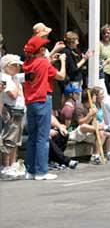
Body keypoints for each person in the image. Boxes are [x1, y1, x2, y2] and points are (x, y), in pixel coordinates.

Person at [22, 36, 66, 181]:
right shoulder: (43, 63)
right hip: (42, 99)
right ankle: (41, 171)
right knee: (42, 138)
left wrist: (50, 59)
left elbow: (39, 68)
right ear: (40, 50)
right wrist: (63, 62)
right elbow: (60, 76)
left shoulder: (28, 63)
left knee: (33, 137)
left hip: (30, 102)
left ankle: (30, 170)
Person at [70, 88, 110, 164]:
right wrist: (89, 115)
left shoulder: (92, 107)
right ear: (89, 97)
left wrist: (97, 123)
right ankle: (104, 128)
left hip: (89, 132)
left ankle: (97, 155)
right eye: (94, 95)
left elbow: (93, 123)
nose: (95, 97)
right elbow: (80, 123)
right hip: (77, 133)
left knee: (107, 134)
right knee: (84, 126)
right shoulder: (80, 107)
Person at [0, 54, 26, 179]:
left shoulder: (14, 77)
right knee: (9, 140)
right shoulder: (5, 77)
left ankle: (13, 164)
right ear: (6, 66)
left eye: (18, 65)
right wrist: (16, 83)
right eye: (14, 65)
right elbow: (13, 95)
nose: (17, 67)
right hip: (11, 111)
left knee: (16, 141)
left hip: (19, 111)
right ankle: (5, 166)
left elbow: (31, 74)